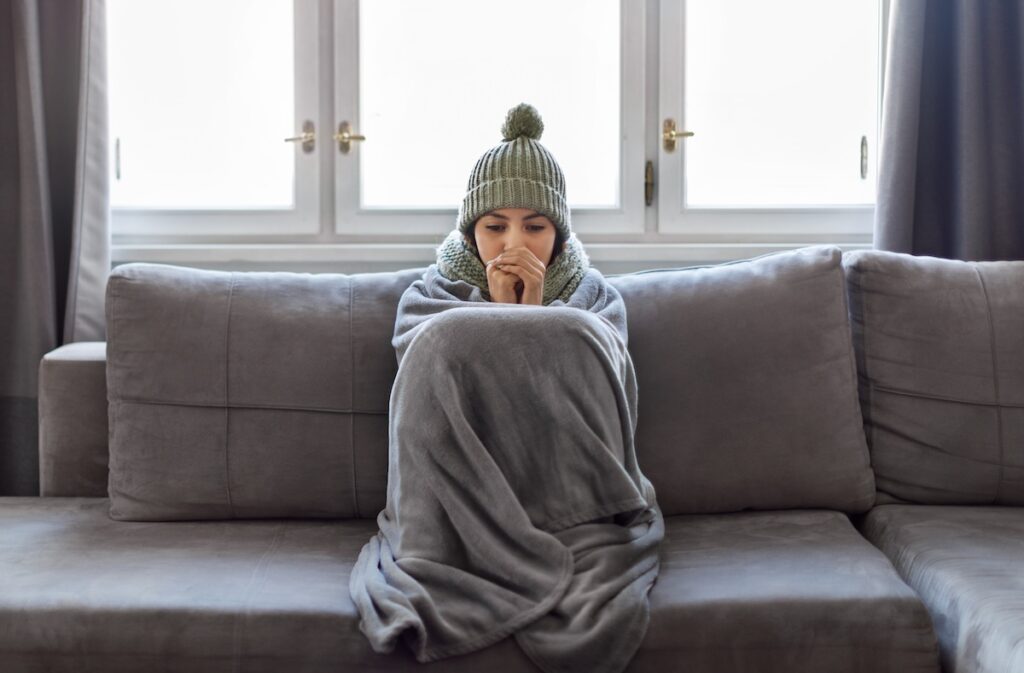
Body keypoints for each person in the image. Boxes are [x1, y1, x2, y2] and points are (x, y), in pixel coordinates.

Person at [349, 103, 663, 673]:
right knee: (447, 337)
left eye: (534, 226)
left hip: (567, 494)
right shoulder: (429, 296)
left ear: (559, 236)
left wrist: (536, 316)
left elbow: (609, 384)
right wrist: (495, 315)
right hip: (458, 500)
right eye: (495, 226)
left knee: (575, 333)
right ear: (471, 233)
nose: (512, 242)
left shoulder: (595, 300)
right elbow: (421, 371)